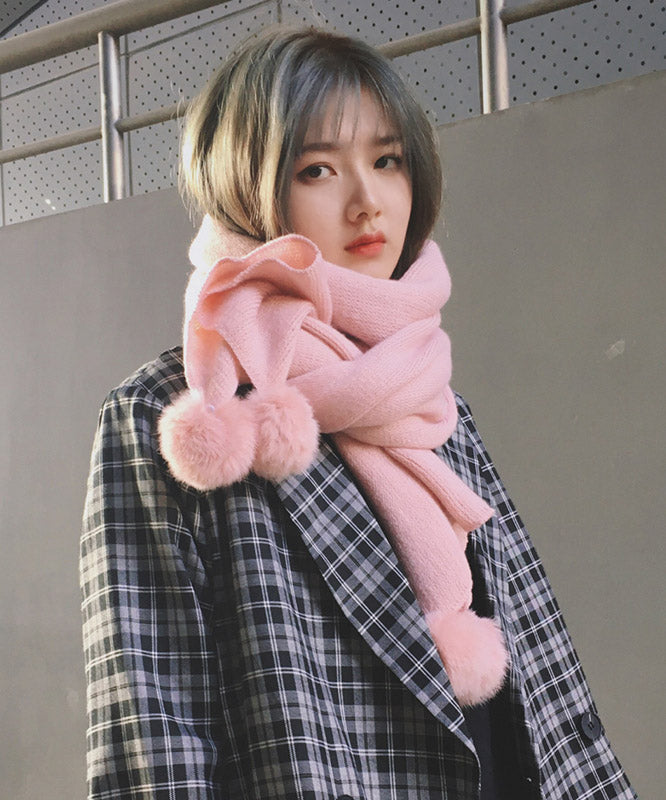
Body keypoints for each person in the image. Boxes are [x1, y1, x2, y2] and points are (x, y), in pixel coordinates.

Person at [80, 26, 636, 800]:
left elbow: (542, 676)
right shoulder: (176, 414)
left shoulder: (432, 399)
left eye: (387, 160)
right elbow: (151, 733)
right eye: (317, 168)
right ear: (244, 187)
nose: (367, 200)